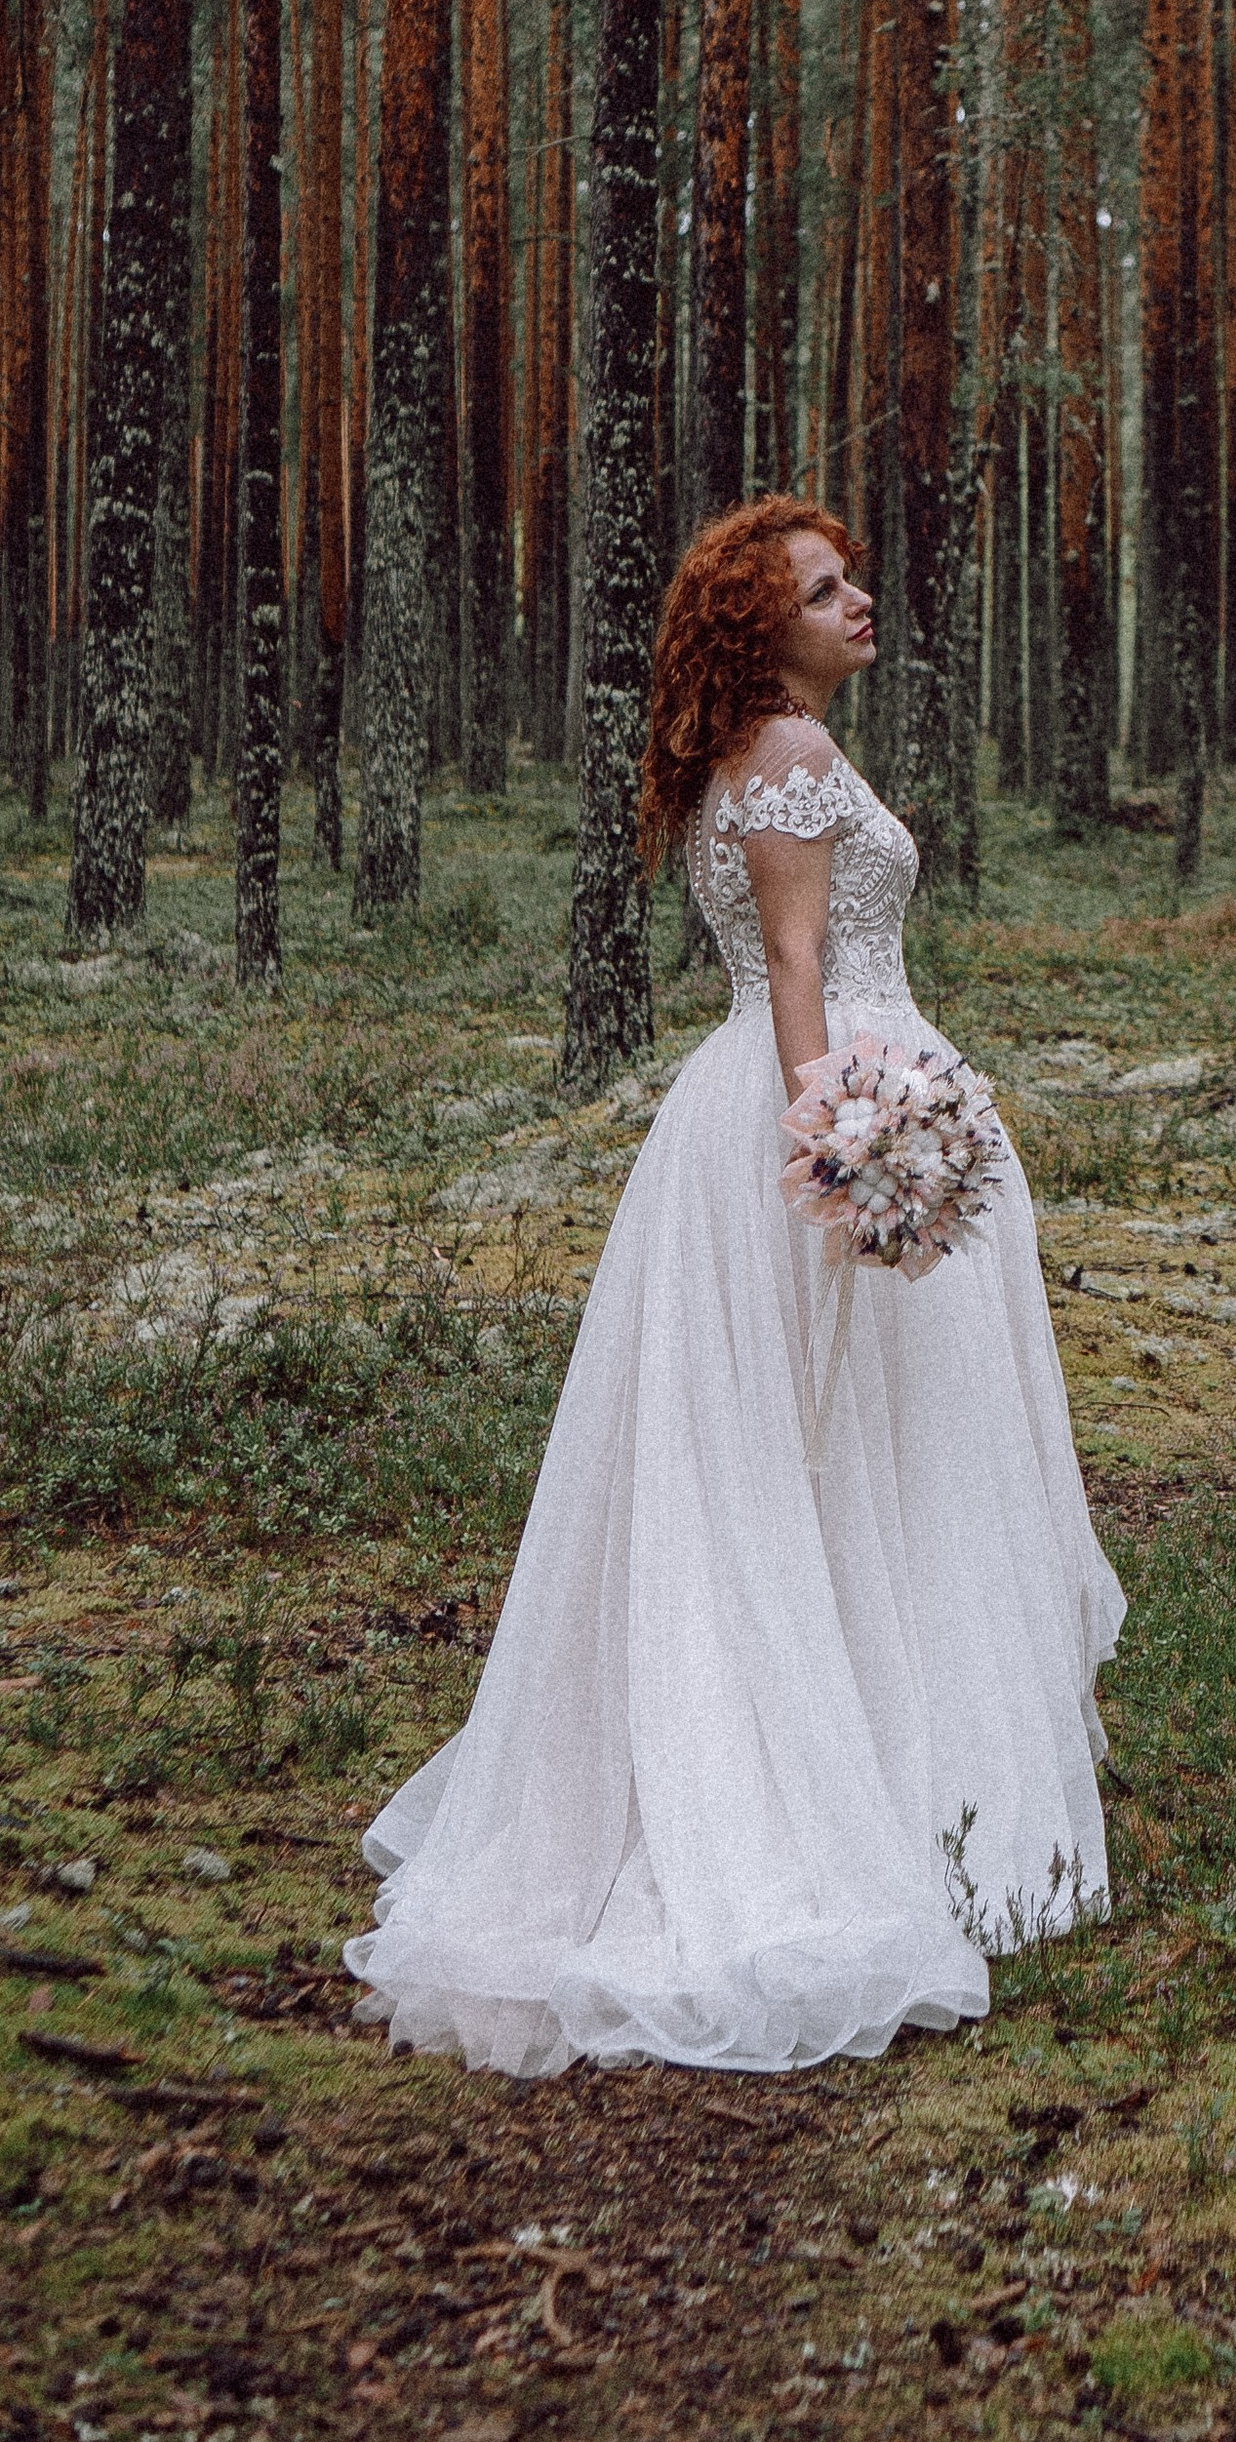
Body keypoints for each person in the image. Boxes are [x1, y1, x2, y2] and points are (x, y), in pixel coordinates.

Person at [345, 495, 1123, 2077]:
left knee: (869, 1467)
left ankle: (912, 1772)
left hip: (822, 1095)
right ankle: (878, 1795)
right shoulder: (791, 761)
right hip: (818, 1102)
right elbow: (791, 967)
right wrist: (838, 1147)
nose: (862, 600)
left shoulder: (764, 755)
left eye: (853, 575)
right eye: (829, 590)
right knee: (842, 1458)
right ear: (764, 629)